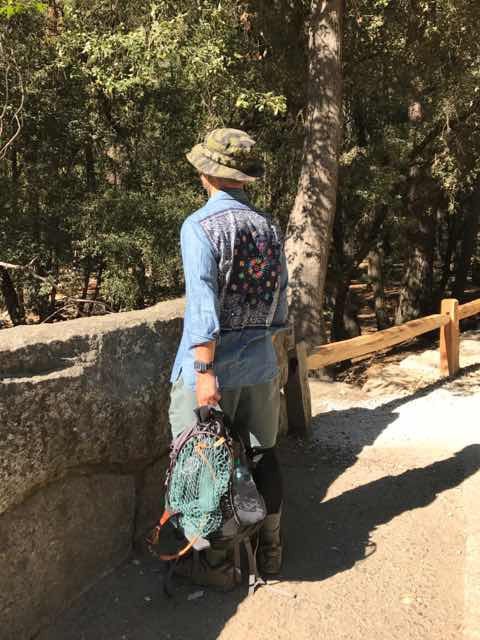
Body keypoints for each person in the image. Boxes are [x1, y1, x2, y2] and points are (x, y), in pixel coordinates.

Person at [168, 127, 288, 589]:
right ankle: (270, 550)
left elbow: (203, 305)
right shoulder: (269, 228)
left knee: (203, 464)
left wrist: (203, 371)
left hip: (211, 369)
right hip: (259, 363)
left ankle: (217, 565)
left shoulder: (199, 227)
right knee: (263, 456)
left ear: (207, 173)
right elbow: (280, 300)